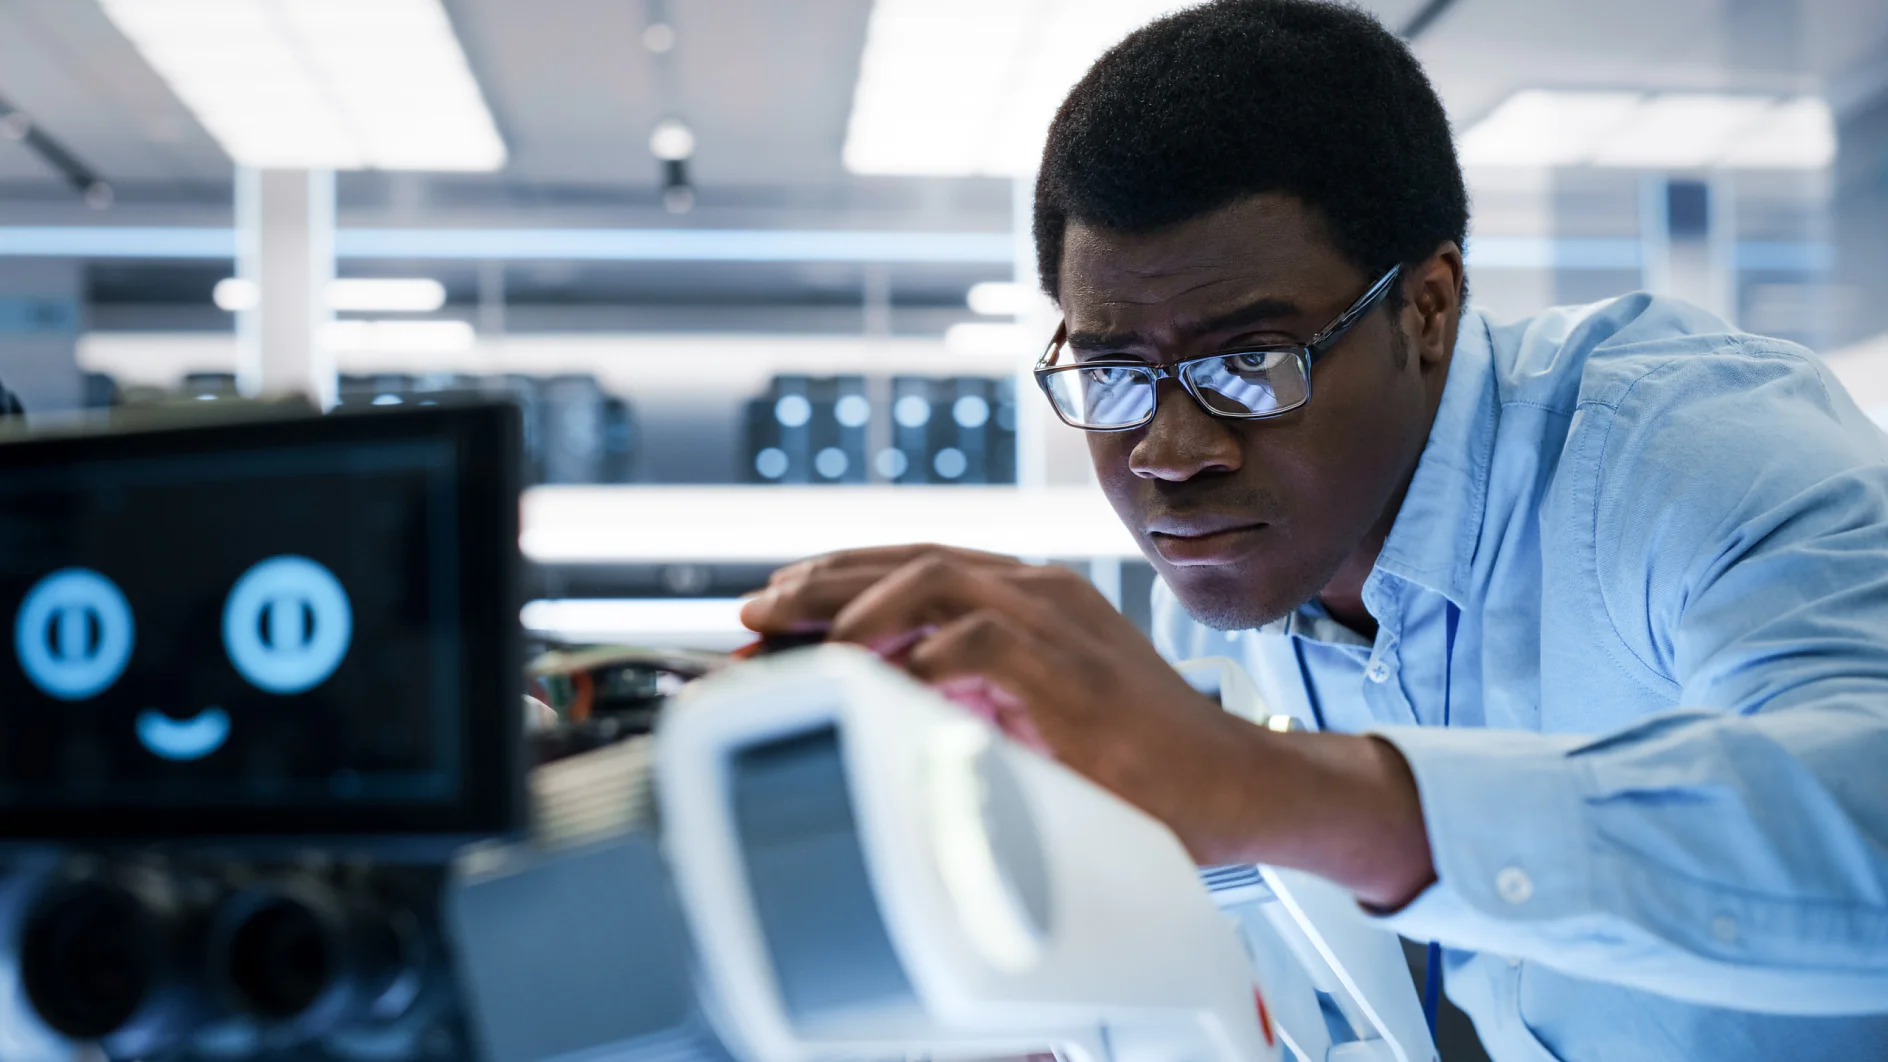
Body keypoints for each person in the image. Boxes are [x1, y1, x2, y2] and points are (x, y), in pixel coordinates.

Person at [739, 1, 1888, 1058]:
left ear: (1427, 307)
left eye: (1247, 360)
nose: (1170, 453)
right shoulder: (1243, 569)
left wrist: (1270, 784)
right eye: (1114, 371)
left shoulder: (1678, 448)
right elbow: (1331, 987)